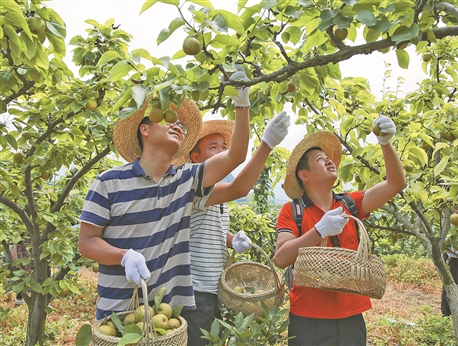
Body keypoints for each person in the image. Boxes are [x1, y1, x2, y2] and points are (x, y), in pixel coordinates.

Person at [78, 70, 252, 320]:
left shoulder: (186, 181)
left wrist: (242, 103)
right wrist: (123, 256)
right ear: (145, 130)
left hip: (166, 315)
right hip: (117, 313)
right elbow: (87, 242)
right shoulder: (108, 183)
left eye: (181, 124)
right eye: (168, 119)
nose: (177, 125)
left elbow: (235, 156)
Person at [273, 116, 407, 346]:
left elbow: (396, 183)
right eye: (319, 159)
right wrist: (319, 230)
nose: (328, 161)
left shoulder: (350, 204)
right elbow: (282, 257)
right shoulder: (293, 211)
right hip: (308, 317)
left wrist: (386, 143)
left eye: (328, 158)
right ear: (303, 175)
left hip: (350, 315)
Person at [174, 112, 290, 345]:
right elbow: (240, 188)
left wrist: (230, 239)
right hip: (195, 289)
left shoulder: (215, 193)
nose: (221, 151)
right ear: (195, 157)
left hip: (210, 287)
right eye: (213, 147)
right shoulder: (193, 186)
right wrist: (266, 145)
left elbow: (200, 228)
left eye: (224, 146)